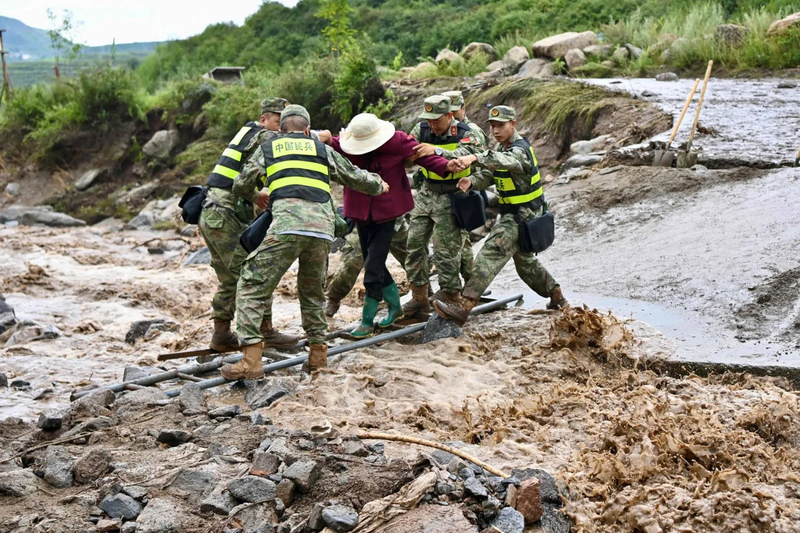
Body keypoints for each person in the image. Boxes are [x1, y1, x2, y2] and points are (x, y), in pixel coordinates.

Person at [220, 105, 388, 380]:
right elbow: (355, 177)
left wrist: (257, 195)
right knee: (312, 295)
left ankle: (251, 361)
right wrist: (379, 184)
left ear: (281, 129)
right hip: (322, 231)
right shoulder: (321, 149)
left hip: (286, 227)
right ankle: (317, 358)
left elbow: (240, 184)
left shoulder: (269, 148)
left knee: (251, 284)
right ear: (308, 130)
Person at [329, 113, 462, 337]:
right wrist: (319, 136)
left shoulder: (397, 140)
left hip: (387, 210)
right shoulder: (344, 145)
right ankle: (395, 307)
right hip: (360, 211)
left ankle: (367, 320)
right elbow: (330, 143)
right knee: (374, 262)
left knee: (372, 266)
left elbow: (423, 157)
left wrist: (447, 165)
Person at [433, 105, 567, 326]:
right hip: (518, 214)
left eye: (500, 125)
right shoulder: (503, 148)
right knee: (526, 265)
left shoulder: (519, 150)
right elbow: (492, 173)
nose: (495, 130)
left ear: (513, 124)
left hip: (521, 216)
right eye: (492, 126)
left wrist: (474, 158)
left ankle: (463, 308)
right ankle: (557, 297)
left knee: (489, 255)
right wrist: (472, 181)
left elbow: (508, 162)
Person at [198, 97, 301, 352]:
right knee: (254, 272)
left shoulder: (249, 133)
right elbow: (279, 143)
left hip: (215, 213)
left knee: (229, 278)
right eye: (280, 123)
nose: (282, 129)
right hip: (223, 213)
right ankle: (264, 332)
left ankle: (221, 335)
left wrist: (257, 195)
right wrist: (316, 138)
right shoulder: (260, 134)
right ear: (264, 119)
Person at [402, 95, 488, 317]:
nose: (431, 125)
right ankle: (419, 297)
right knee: (414, 245)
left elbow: (469, 154)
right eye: (428, 120)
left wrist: (437, 151)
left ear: (450, 116)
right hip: (427, 193)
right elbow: (408, 148)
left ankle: (451, 294)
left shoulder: (467, 132)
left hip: (453, 196)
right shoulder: (421, 129)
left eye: (436, 120)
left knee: (446, 251)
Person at [324, 217, 409, 318]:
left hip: (392, 215)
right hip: (366, 218)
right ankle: (333, 299)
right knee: (352, 260)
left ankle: (421, 291)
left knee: (410, 256)